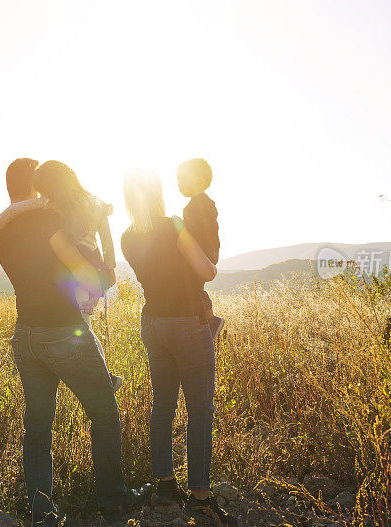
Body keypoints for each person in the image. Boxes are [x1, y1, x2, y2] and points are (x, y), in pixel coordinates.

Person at [0, 158, 152, 526]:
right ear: (36, 188)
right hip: (62, 332)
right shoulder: (48, 223)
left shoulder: (3, 232)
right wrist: (102, 277)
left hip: (25, 335)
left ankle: (43, 513)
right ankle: (113, 499)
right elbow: (83, 272)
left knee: (38, 427)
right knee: (105, 414)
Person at [120, 169, 236, 525]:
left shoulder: (127, 236)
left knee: (162, 405)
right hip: (186, 322)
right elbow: (209, 270)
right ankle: (200, 496)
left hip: (152, 322)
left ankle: (165, 485)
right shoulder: (173, 226)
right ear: (158, 193)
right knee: (200, 409)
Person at [0, 160, 123, 391]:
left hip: (82, 271)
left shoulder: (50, 205)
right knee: (85, 324)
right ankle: (104, 377)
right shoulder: (93, 202)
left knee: (84, 326)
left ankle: (104, 378)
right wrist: (108, 270)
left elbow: (16, 209)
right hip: (96, 267)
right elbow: (108, 244)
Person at [177, 158, 225, 342]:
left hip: (203, 251)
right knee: (195, 286)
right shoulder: (204, 202)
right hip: (209, 250)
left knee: (192, 286)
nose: (179, 185)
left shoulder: (196, 205)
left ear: (197, 179)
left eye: (182, 179)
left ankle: (211, 320)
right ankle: (208, 319)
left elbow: (194, 231)